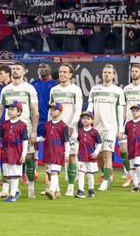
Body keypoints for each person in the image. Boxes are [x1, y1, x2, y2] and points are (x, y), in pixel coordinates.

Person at [0, 62, 39, 198]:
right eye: (13, 69)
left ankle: (31, 187)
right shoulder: (6, 90)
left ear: (24, 71)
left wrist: (34, 130)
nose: (15, 71)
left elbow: (35, 112)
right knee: (7, 158)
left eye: (18, 69)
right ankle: (6, 189)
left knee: (29, 158)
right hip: (8, 129)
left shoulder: (29, 88)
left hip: (26, 127)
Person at [87, 63, 126, 190]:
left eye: (109, 72)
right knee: (98, 155)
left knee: (107, 154)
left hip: (111, 127)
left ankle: (106, 181)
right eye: (105, 72)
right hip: (97, 127)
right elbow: (90, 108)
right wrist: (86, 121)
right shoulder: (95, 90)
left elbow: (121, 112)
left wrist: (120, 130)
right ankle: (107, 173)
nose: (107, 74)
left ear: (114, 75)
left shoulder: (118, 91)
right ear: (102, 74)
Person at [49, 63, 82, 196]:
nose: (62, 74)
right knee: (54, 157)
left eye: (65, 72)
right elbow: (50, 109)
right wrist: (48, 125)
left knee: (72, 156)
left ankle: (70, 186)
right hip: (55, 128)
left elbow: (78, 109)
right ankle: (54, 187)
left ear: (70, 75)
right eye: (60, 72)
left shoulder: (75, 90)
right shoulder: (54, 90)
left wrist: (72, 125)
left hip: (70, 128)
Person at [0, 101, 29, 203]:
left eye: (12, 109)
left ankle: (12, 194)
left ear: (19, 112)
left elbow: (25, 140)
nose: (9, 111)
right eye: (8, 109)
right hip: (6, 152)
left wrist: (23, 154)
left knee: (14, 174)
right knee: (7, 174)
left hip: (16, 152)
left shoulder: (22, 125)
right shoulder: (4, 124)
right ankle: (16, 190)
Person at [41, 102, 69, 200]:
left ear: (60, 112)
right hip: (48, 151)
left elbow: (66, 141)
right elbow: (44, 138)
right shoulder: (47, 124)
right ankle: (57, 191)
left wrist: (67, 153)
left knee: (54, 172)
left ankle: (51, 190)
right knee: (49, 172)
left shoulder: (63, 126)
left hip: (58, 152)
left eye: (54, 109)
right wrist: (35, 139)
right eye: (51, 109)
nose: (52, 111)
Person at [75, 111, 101, 199]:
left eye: (88, 118)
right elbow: (77, 141)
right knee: (81, 174)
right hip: (82, 156)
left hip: (90, 157)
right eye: (84, 118)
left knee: (90, 175)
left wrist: (96, 152)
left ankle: (91, 189)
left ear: (92, 121)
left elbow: (99, 143)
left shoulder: (94, 132)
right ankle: (81, 190)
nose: (85, 120)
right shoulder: (80, 131)